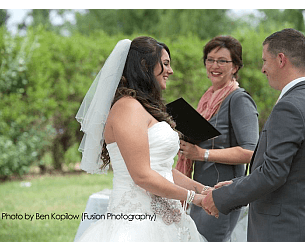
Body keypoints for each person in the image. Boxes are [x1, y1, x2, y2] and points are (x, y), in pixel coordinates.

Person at [75, 36, 208, 242]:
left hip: (167, 219)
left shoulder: (143, 107)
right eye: (165, 64)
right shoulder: (127, 108)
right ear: (145, 66)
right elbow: (142, 176)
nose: (170, 71)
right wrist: (194, 198)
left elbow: (160, 168)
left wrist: (203, 189)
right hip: (137, 224)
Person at [202, 28, 305, 242]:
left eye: (264, 61)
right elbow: (292, 170)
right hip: (302, 224)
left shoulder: (290, 106)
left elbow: (272, 173)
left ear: (281, 59)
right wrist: (236, 185)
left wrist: (221, 197)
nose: (262, 69)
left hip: (282, 231)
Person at [176, 35, 259, 242]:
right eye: (210, 60)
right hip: (199, 189)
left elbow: (251, 152)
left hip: (222, 194)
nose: (215, 65)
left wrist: (201, 153)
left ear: (235, 67)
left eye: (222, 61)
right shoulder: (208, 99)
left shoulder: (238, 99)